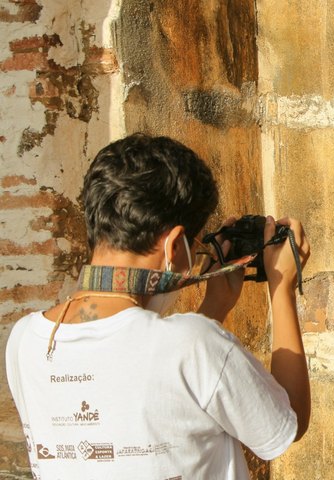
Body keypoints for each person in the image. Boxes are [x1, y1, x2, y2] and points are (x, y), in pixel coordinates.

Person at [5, 134, 311, 479]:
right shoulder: (195, 343)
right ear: (173, 245)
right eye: (193, 245)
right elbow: (288, 422)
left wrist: (215, 307)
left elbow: (140, 381)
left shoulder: (25, 339)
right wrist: (281, 288)